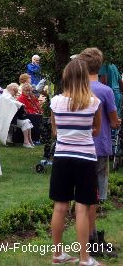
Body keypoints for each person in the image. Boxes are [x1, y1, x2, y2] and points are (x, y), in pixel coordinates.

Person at [49, 58, 102, 266]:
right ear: (84, 77)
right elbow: (96, 129)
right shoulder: (93, 102)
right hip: (85, 159)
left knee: (59, 207)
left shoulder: (55, 102)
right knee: (82, 208)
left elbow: (55, 130)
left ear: (66, 77)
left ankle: (57, 254)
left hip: (62, 158)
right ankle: (84, 258)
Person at [78, 48, 120, 258]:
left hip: (77, 148)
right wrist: (117, 121)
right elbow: (113, 122)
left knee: (83, 195)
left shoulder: (74, 90)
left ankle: (88, 238)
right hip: (99, 146)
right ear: (100, 65)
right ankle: (92, 240)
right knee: (94, 196)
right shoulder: (105, 91)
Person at [0, 83, 34, 148]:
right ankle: (26, 142)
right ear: (12, 90)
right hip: (5, 121)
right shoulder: (5, 97)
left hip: (8, 119)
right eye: (15, 92)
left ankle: (29, 140)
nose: (15, 94)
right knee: (25, 122)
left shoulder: (6, 96)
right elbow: (12, 102)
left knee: (27, 121)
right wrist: (21, 105)